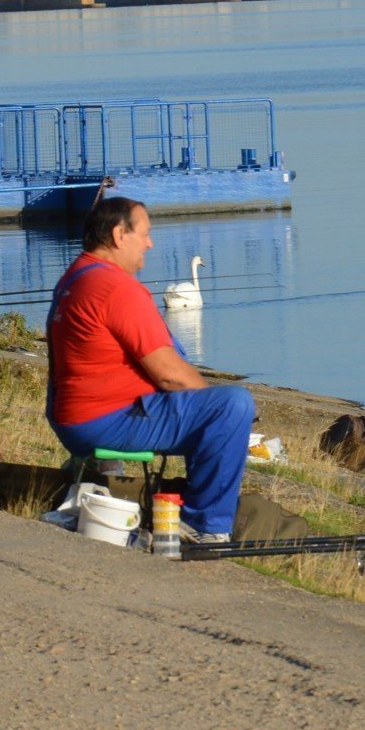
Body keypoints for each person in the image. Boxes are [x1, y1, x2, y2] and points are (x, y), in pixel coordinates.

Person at [45, 197, 253, 542]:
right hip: (104, 420)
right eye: (145, 233)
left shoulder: (77, 275)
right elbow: (169, 374)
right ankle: (207, 527)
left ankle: (114, 479)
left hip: (73, 416)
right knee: (234, 406)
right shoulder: (116, 287)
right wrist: (215, 410)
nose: (150, 243)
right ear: (118, 234)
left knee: (173, 346)